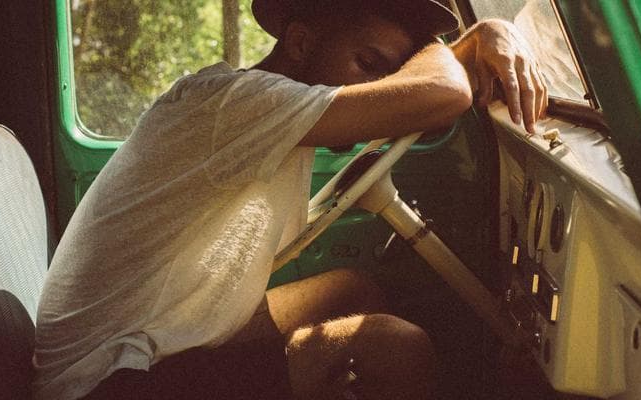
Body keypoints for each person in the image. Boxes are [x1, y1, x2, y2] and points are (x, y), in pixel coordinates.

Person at [32, 1, 547, 399]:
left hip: (164, 338)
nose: (379, 89)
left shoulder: (280, 110)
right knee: (395, 347)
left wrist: (475, 40)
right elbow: (443, 94)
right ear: (300, 43)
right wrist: (475, 36)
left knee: (350, 291)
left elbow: (420, 93)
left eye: (387, 74)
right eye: (369, 64)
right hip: (106, 381)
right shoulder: (232, 102)